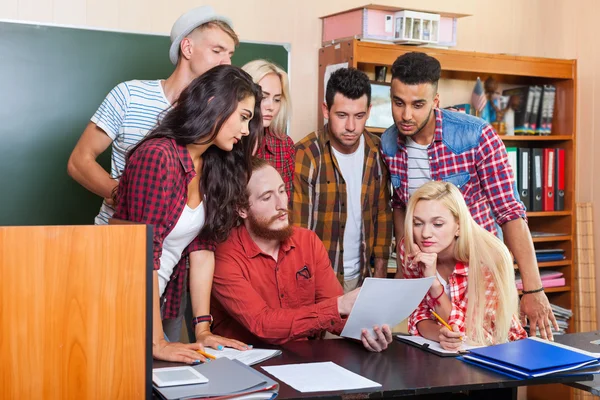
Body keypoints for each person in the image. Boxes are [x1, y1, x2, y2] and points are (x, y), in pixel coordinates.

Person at [379, 52, 558, 339]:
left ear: (435, 102)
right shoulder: (389, 142)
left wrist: (533, 288)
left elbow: (509, 212)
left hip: (478, 274)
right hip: (429, 275)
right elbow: (400, 203)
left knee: (485, 359)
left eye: (418, 104)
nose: (406, 115)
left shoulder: (476, 136)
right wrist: (405, 263)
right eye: (398, 103)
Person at [113, 65, 263, 364]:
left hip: (158, 305)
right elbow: (143, 253)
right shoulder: (159, 156)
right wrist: (156, 341)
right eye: (244, 117)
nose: (246, 130)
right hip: (121, 306)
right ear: (213, 103)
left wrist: (203, 329)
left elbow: (202, 249)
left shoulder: (211, 165)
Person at [68, 5, 238, 224]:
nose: (227, 63)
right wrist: (123, 196)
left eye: (230, 54)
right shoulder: (128, 95)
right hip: (116, 236)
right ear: (187, 48)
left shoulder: (216, 115)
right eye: (217, 51)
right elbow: (79, 161)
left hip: (177, 246)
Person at [210, 158, 393, 352]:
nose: (281, 204)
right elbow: (263, 324)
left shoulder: (308, 242)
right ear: (242, 209)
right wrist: (338, 305)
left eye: (281, 191)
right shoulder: (224, 255)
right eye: (266, 197)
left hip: (302, 360)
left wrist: (366, 334)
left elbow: (335, 317)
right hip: (245, 365)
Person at [293, 68, 393, 292]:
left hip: (364, 280)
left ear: (369, 111)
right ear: (326, 110)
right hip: (317, 283)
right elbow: (298, 234)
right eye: (342, 115)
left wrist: (379, 274)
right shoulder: (306, 155)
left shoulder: (377, 152)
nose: (351, 126)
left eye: (359, 116)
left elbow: (383, 214)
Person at [400, 181, 527, 350]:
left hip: (498, 352)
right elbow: (418, 314)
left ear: (458, 226)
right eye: (418, 223)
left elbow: (476, 334)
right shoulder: (410, 249)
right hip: (443, 350)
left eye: (437, 224)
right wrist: (441, 335)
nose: (425, 234)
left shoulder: (489, 259)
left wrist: (434, 284)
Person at [242, 60, 295, 200]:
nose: (271, 106)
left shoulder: (284, 146)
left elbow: (286, 204)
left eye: (277, 99)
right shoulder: (226, 142)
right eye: (264, 97)